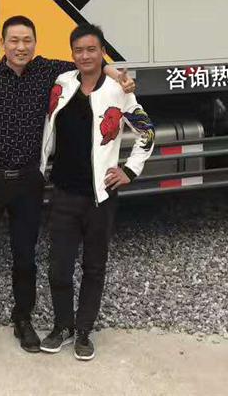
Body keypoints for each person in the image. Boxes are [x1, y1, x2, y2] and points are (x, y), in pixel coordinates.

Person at [0, 15, 134, 357]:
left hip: (27, 181)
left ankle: (23, 320)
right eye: (14, 41)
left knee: (25, 256)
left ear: (35, 43)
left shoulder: (48, 71)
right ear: (2, 44)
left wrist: (117, 75)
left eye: (27, 40)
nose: (21, 47)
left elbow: (89, 63)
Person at [38, 24, 155, 361]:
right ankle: (63, 326)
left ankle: (84, 331)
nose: (85, 56)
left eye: (92, 49)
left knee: (93, 266)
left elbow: (146, 132)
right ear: (72, 53)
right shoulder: (63, 83)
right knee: (59, 268)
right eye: (79, 50)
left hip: (100, 197)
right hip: (63, 192)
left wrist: (129, 170)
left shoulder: (118, 91)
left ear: (102, 51)